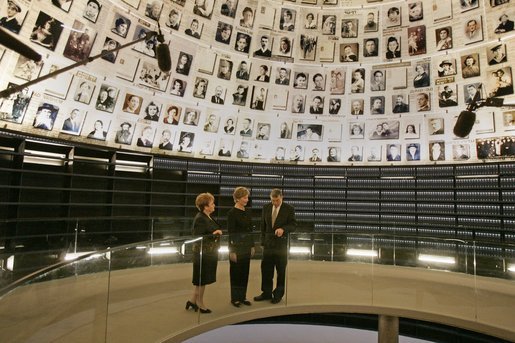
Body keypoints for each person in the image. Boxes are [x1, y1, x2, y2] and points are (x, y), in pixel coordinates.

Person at [254, 189, 296, 304]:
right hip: (268, 245)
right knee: (266, 270)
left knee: (280, 271)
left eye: (277, 200)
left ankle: (278, 294)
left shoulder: (289, 209)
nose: (275, 203)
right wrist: (262, 242)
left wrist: (283, 229)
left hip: (281, 246)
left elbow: (293, 225)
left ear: (282, 197)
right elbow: (262, 226)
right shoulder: (266, 207)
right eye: (272, 200)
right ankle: (266, 293)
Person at [187, 192, 222, 314]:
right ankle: (199, 303)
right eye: (212, 203)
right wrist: (214, 234)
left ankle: (192, 301)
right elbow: (198, 237)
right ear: (205, 206)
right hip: (203, 254)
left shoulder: (206, 216)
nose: (214, 206)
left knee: (201, 280)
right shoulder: (200, 219)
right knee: (201, 280)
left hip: (208, 253)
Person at [226, 187, 255, 307]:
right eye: (244, 197)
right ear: (237, 199)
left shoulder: (247, 211)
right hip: (237, 249)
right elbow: (231, 233)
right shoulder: (231, 213)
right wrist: (232, 251)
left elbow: (250, 230)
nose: (247, 199)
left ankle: (242, 296)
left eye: (247, 197)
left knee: (245, 273)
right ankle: (235, 298)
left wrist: (252, 246)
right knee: (235, 274)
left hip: (247, 247)